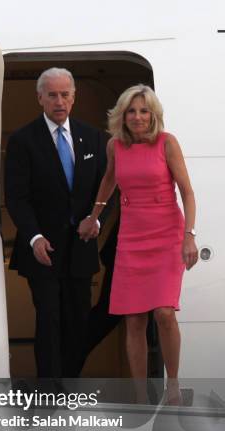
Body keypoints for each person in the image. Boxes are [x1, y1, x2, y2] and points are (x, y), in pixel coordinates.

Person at [79, 84, 198, 403]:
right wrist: (94, 216)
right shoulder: (115, 146)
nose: (138, 116)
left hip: (167, 232)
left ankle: (172, 384)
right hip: (132, 235)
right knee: (133, 317)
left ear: (153, 114)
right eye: (132, 111)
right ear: (123, 115)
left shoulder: (167, 143)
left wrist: (189, 235)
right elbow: (109, 180)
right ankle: (140, 396)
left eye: (144, 111)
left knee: (163, 312)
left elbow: (186, 191)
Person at [5, 67, 107, 378]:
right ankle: (49, 391)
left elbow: (109, 186)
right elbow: (16, 197)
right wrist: (34, 236)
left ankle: (70, 385)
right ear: (40, 98)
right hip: (42, 249)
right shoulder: (23, 140)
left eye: (65, 94)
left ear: (74, 98)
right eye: (52, 95)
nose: (59, 101)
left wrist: (96, 220)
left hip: (82, 246)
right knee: (48, 319)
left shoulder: (92, 138)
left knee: (78, 321)